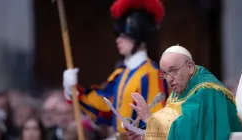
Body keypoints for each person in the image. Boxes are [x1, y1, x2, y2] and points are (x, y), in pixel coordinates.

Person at [62, 0, 169, 134]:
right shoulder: (121, 74)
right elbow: (105, 108)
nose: (118, 40)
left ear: (139, 38)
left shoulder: (151, 74)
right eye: (118, 36)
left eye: (124, 36)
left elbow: (156, 122)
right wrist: (73, 91)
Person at [127, 45, 242, 140]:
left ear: (190, 67)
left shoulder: (207, 90)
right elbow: (173, 123)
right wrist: (146, 133)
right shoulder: (180, 89)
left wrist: (149, 119)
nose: (169, 79)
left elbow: (189, 131)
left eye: (173, 71)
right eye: (165, 74)